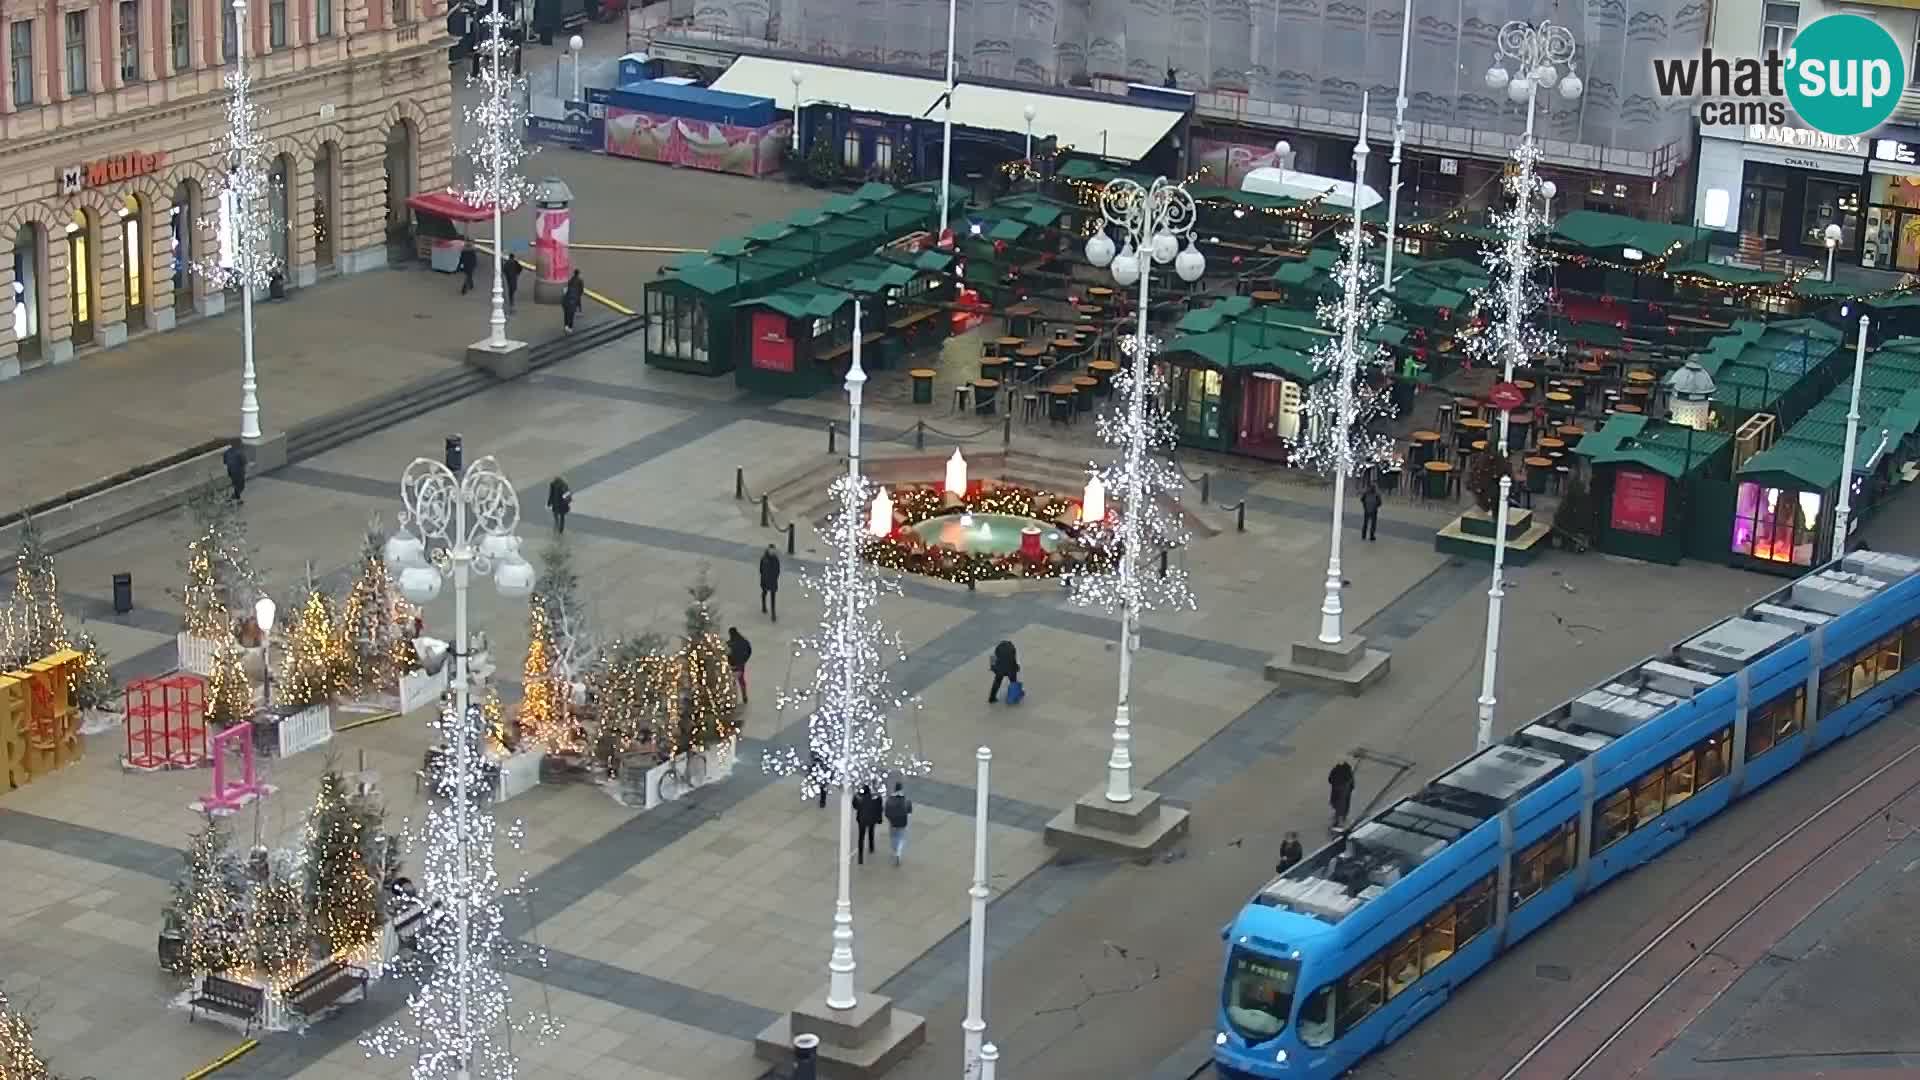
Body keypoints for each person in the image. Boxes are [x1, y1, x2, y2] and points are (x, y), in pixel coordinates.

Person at [884, 782, 913, 866]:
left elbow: (886, 812)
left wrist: (890, 818)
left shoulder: (889, 800)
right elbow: (909, 812)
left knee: (893, 837)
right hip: (903, 822)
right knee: (901, 838)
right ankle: (898, 853)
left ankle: (894, 850)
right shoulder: (906, 800)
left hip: (893, 822)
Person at [854, 785, 882, 865]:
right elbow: (879, 808)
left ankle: (860, 856)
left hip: (862, 819)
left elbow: (855, 806)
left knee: (861, 837)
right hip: (871, 819)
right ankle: (871, 847)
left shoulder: (860, 798)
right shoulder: (875, 799)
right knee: (871, 832)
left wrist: (857, 795)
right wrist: (879, 819)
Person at [1328, 756, 1356, 830]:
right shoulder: (1348, 771)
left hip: (1337, 790)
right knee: (1343, 805)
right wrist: (1351, 788)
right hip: (1345, 791)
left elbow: (1330, 779)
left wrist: (1335, 784)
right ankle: (1341, 819)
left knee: (1337, 805)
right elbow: (1352, 782)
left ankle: (1337, 821)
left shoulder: (1335, 770)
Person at [988, 639, 1019, 704]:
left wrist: (993, 668)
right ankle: (1014, 697)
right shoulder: (1012, 648)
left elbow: (992, 658)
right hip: (1010, 669)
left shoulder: (997, 648)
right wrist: (1016, 667)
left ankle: (992, 697)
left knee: (997, 682)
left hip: (1000, 669)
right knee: (1013, 681)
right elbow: (1013, 660)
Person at [726, 627, 752, 703]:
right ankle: (744, 696)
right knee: (741, 680)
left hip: (732, 665)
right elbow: (749, 650)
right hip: (740, 665)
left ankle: (733, 698)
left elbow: (725, 654)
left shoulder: (729, 644)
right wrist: (744, 660)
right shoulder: (744, 641)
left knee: (732, 682)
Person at [759, 545, 781, 622]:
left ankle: (773, 613)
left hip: (772, 580)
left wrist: (775, 577)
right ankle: (764, 606)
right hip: (765, 580)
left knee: (773, 597)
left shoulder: (775, 560)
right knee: (764, 593)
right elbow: (761, 569)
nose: (772, 552)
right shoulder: (764, 559)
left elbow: (778, 570)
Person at [223, 439, 247, 504]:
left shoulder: (227, 452)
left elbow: (225, 462)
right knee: (241, 486)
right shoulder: (240, 452)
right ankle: (232, 498)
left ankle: (237, 499)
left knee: (235, 485)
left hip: (231, 471)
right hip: (239, 472)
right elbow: (244, 462)